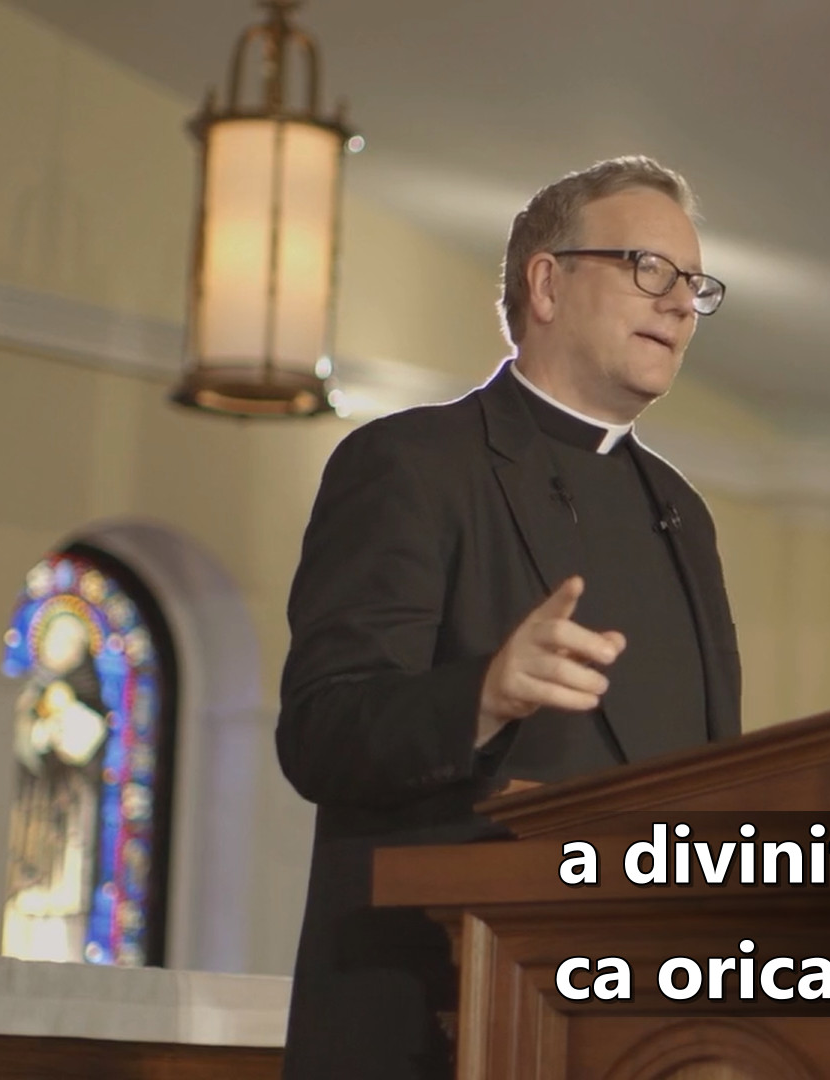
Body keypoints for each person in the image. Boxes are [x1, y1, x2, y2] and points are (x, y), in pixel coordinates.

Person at [275, 155, 741, 1079]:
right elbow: (321, 733)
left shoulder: (682, 512)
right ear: (547, 283)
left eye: (694, 284)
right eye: (648, 268)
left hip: (630, 1021)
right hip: (432, 1015)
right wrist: (483, 695)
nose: (680, 303)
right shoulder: (412, 463)